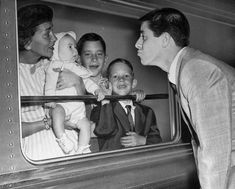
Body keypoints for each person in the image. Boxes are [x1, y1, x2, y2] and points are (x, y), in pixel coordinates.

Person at [135, 7, 235, 189]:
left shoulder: (195, 70)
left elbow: (215, 151)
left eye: (143, 36)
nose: (137, 44)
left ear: (165, 39)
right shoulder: (186, 68)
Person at [18, 4, 84, 160]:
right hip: (33, 156)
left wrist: (78, 82)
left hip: (70, 150)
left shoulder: (52, 67)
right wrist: (48, 123)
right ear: (27, 42)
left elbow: (80, 104)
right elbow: (8, 130)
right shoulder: (9, 76)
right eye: (47, 34)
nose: (54, 38)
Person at [45, 31, 105, 154]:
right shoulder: (63, 71)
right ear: (79, 58)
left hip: (102, 148)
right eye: (88, 54)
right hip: (74, 142)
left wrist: (78, 82)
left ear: (106, 57)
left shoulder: (112, 85)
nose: (94, 59)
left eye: (99, 54)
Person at [90, 58, 162, 151]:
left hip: (142, 162)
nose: (121, 80)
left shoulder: (147, 112)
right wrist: (106, 100)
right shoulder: (100, 109)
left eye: (126, 76)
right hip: (114, 163)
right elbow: (104, 130)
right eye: (115, 76)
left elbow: (157, 140)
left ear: (134, 83)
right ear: (108, 83)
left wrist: (143, 141)